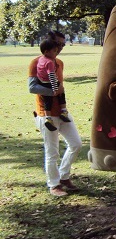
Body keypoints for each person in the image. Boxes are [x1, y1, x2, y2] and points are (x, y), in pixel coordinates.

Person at [28, 31, 82, 197]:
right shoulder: (36, 62)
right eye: (58, 44)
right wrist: (53, 92)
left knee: (76, 144)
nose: (60, 48)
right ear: (49, 43)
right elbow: (32, 88)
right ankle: (54, 184)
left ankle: (64, 175)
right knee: (52, 152)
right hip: (46, 114)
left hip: (62, 112)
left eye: (63, 45)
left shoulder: (59, 62)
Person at [36, 39, 71, 131]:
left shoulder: (40, 59)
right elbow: (51, 76)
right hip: (49, 82)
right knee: (61, 91)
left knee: (47, 102)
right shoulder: (50, 62)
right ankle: (64, 111)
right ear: (47, 51)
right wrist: (55, 88)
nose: (56, 53)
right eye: (54, 51)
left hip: (41, 82)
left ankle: (48, 118)